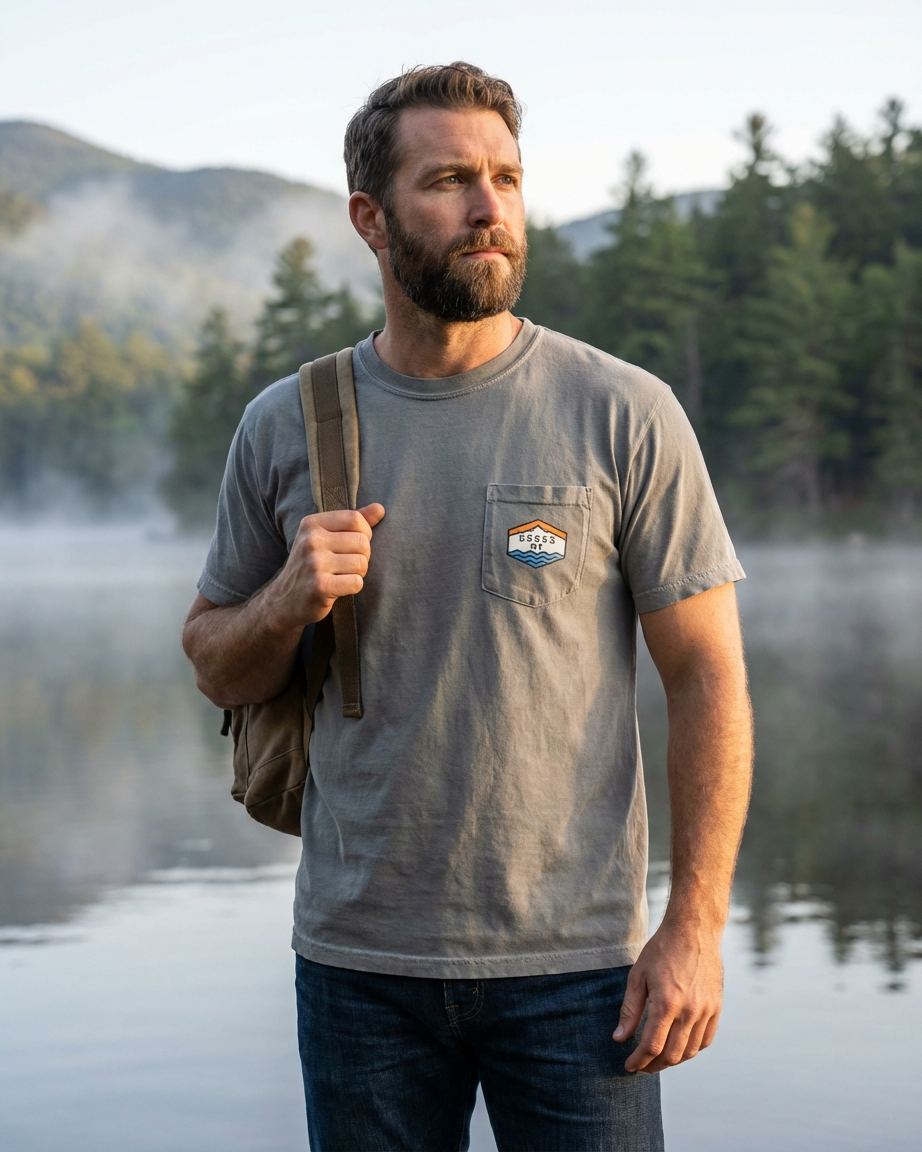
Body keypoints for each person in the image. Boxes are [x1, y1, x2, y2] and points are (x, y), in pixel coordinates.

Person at [182, 62, 753, 1152]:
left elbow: (707, 676)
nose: (490, 209)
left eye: (506, 178)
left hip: (581, 973)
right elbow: (214, 661)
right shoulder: (286, 423)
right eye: (449, 180)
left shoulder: (624, 411)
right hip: (359, 970)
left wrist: (694, 926)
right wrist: (287, 601)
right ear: (371, 217)